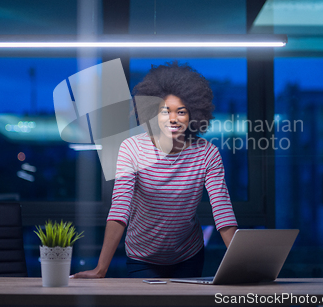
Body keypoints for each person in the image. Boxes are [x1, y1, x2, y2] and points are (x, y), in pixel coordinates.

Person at [71, 61, 237, 279]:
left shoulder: (207, 153)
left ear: (193, 115)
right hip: (142, 256)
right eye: (165, 111)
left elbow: (222, 212)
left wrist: (244, 266)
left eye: (182, 112)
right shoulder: (132, 148)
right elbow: (120, 209)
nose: (173, 119)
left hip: (189, 255)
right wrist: (100, 269)